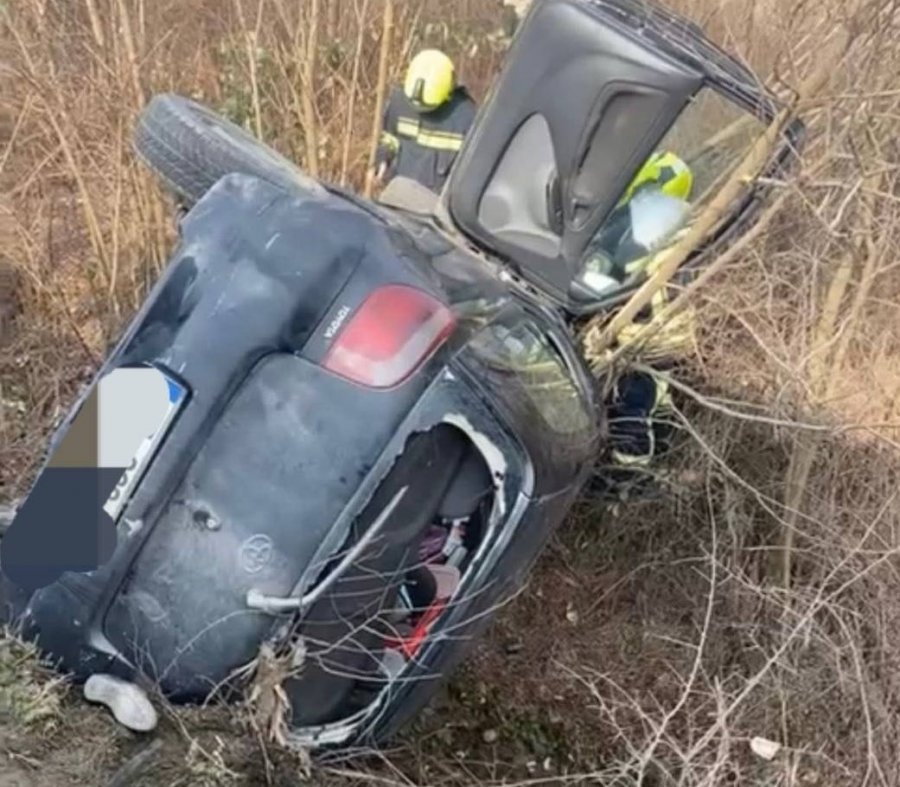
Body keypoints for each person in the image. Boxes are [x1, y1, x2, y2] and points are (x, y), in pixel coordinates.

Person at [582, 151, 698, 498]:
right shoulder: (676, 223)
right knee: (655, 405)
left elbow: (627, 281)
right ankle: (656, 457)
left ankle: (626, 481)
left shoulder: (658, 225)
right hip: (664, 341)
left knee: (634, 404)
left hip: (653, 343)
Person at [374, 49, 477, 194]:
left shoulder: (466, 118)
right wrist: (383, 159)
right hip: (396, 199)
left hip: (433, 208)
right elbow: (390, 137)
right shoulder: (399, 102)